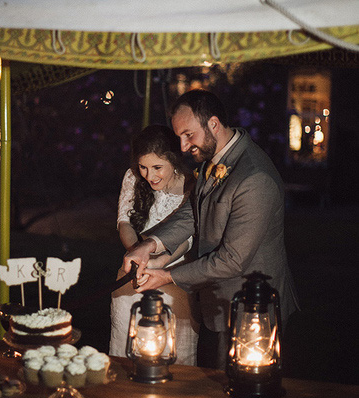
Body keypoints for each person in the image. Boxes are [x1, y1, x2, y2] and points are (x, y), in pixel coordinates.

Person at [122, 90, 299, 370]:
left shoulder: (255, 178)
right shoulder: (212, 158)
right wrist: (150, 245)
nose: (182, 146)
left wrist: (167, 275)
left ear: (213, 124)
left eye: (188, 135)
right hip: (217, 301)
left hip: (252, 310)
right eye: (179, 136)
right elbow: (194, 211)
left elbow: (232, 259)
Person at [109, 124, 199, 365]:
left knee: (174, 359)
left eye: (157, 167)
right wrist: (137, 255)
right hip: (133, 277)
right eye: (144, 167)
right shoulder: (132, 177)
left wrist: (158, 262)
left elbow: (186, 238)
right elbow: (124, 222)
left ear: (175, 161)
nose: (149, 176)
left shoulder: (193, 185)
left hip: (174, 280)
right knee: (126, 353)